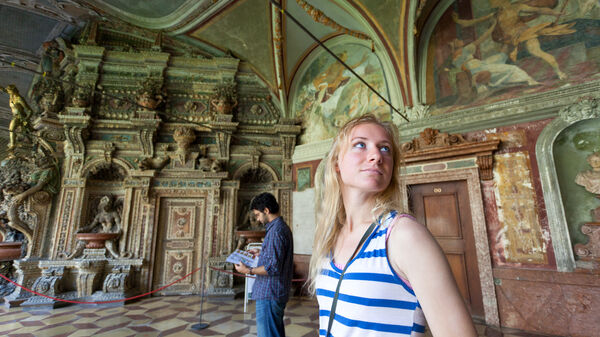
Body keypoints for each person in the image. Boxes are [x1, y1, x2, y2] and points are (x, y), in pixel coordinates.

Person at [309, 114, 476, 336]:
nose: (377, 155)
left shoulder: (403, 235)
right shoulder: (330, 237)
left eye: (385, 149)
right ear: (336, 164)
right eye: (360, 145)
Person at [234, 192, 294, 337]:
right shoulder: (279, 228)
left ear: (266, 210)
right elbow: (278, 256)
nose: (258, 219)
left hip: (269, 293)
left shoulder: (276, 231)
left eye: (258, 215)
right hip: (273, 292)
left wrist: (248, 270)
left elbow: (272, 267)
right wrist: (262, 251)